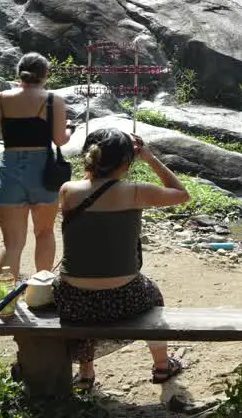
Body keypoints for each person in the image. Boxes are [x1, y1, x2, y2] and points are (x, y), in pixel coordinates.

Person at [55, 128, 190, 393]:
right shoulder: (135, 191)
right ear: (127, 163)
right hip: (124, 297)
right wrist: (151, 158)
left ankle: (85, 373)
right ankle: (162, 365)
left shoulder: (67, 191)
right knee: (154, 298)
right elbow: (182, 194)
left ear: (88, 157)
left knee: (83, 308)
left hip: (73, 300)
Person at [0, 53, 72, 282]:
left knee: (12, 244)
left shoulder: (2, 98)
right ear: (45, 74)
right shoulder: (53, 100)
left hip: (10, 171)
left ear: (19, 73)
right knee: (44, 233)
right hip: (43, 173)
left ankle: (5, 304)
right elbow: (60, 140)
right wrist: (69, 130)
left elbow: (1, 132)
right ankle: (42, 292)